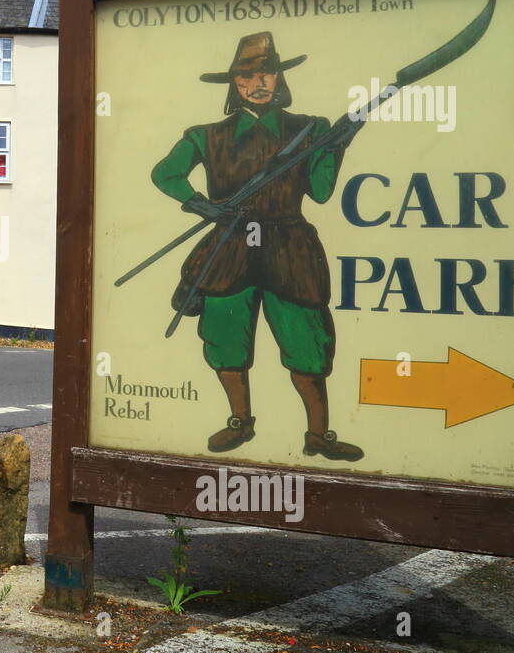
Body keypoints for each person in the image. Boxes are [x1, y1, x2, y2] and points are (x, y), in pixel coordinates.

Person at [151, 30, 363, 461]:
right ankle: (240, 422)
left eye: (266, 73)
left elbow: (320, 192)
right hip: (229, 250)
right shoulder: (204, 135)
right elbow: (164, 174)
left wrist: (335, 150)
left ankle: (319, 436)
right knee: (225, 340)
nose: (258, 83)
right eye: (247, 76)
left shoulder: (312, 129)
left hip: (292, 248)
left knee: (308, 343)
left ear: (278, 77)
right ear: (234, 84)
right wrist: (201, 206)